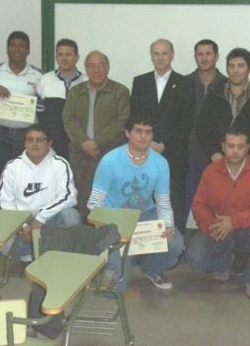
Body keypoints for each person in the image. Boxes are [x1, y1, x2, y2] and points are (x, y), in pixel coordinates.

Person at [87, 113, 184, 292]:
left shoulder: (161, 163)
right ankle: (109, 265)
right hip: (112, 218)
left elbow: (163, 202)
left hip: (144, 215)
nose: (143, 136)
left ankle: (152, 269)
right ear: (127, 133)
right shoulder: (110, 161)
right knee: (116, 290)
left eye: (148, 132)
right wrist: (108, 230)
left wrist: (168, 225)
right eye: (138, 131)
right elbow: (94, 203)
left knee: (175, 242)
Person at [186, 127, 250, 299]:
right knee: (194, 258)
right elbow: (199, 204)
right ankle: (223, 265)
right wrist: (211, 225)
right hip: (219, 227)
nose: (235, 151)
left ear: (248, 148)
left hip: (248, 229)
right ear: (223, 147)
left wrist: (234, 222)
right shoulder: (211, 171)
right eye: (231, 146)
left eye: (240, 146)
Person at [130, 39, 195, 235]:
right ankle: (144, 245)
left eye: (164, 53)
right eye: (156, 53)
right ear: (151, 56)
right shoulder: (140, 82)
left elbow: (186, 121)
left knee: (174, 200)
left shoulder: (185, 83)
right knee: (142, 199)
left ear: (172, 55)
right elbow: (135, 117)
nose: (160, 58)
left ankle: (175, 243)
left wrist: (163, 143)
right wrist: (149, 143)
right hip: (143, 152)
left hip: (174, 153)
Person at [0, 124, 81, 262]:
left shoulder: (60, 164)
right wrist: (22, 226)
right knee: (2, 238)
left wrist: (40, 219)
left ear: (49, 143)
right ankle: (31, 255)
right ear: (24, 143)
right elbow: (2, 201)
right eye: (30, 140)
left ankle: (54, 256)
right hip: (22, 222)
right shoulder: (12, 166)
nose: (34, 144)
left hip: (50, 220)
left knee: (71, 216)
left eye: (40, 140)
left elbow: (69, 197)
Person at [63, 50, 130, 218]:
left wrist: (97, 142)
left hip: (109, 154)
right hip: (80, 154)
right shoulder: (75, 92)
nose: (97, 70)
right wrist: (85, 143)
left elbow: (122, 121)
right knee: (82, 199)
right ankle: (84, 238)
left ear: (107, 68)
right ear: (86, 69)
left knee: (110, 199)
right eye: (92, 66)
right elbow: (68, 120)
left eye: (101, 65)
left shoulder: (120, 91)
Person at [0, 31, 42, 195]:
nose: (17, 49)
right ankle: (2, 220)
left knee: (27, 185)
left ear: (28, 50)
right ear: (7, 49)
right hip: (0, 136)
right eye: (13, 45)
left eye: (22, 46)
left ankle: (25, 221)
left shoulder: (39, 75)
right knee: (0, 184)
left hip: (28, 138)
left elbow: (44, 109)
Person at [197, 47, 250, 164]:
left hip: (249, 165)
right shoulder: (215, 94)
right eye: (231, 66)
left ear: (249, 69)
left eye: (240, 66)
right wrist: (213, 153)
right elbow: (202, 127)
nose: (235, 71)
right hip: (217, 162)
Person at [184, 39, 228, 229]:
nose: (204, 58)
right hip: (187, 154)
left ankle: (217, 246)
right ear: (195, 57)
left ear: (217, 56)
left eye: (208, 53)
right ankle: (178, 244)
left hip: (216, 156)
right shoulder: (184, 83)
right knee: (183, 202)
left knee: (217, 205)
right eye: (200, 54)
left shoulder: (226, 85)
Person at [37, 38, 85, 159]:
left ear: (77, 57)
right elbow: (39, 113)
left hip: (79, 144)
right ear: (56, 57)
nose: (64, 58)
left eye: (68, 54)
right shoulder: (45, 80)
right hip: (52, 145)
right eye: (60, 55)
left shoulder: (86, 82)